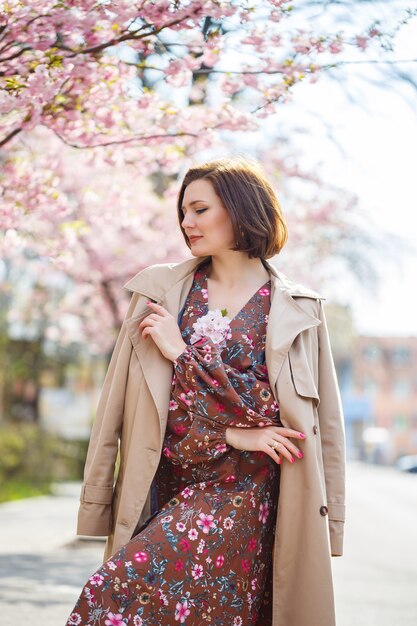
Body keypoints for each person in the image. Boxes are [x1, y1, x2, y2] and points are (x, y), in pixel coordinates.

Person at [66, 157, 346, 626]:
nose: (185, 222)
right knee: (111, 595)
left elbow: (315, 428)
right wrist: (237, 435)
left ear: (239, 209)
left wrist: (183, 356)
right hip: (168, 485)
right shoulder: (160, 293)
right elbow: (131, 406)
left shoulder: (300, 311)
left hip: (251, 500)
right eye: (183, 210)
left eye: (199, 209)